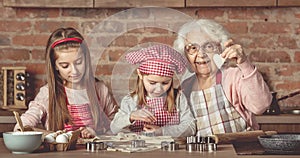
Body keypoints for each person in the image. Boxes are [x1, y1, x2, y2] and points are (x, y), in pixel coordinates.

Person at [173, 19, 272, 136]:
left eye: (209, 46)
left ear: (221, 49)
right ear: (185, 55)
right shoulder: (185, 88)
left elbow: (261, 106)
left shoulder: (233, 77)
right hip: (203, 153)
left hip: (239, 151)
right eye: (193, 48)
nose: (201, 54)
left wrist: (244, 64)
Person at [14, 27, 118, 138]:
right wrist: (23, 128)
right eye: (65, 66)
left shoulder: (100, 90)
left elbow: (116, 125)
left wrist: (97, 132)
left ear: (86, 59)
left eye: (79, 62)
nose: (74, 71)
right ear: (55, 66)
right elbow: (25, 122)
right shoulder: (48, 93)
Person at [110, 44, 196, 137]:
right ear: (140, 74)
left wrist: (162, 131)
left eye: (165, 83)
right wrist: (131, 116)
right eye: (152, 83)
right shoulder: (130, 100)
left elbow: (190, 127)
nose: (159, 89)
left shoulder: (178, 98)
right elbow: (114, 129)